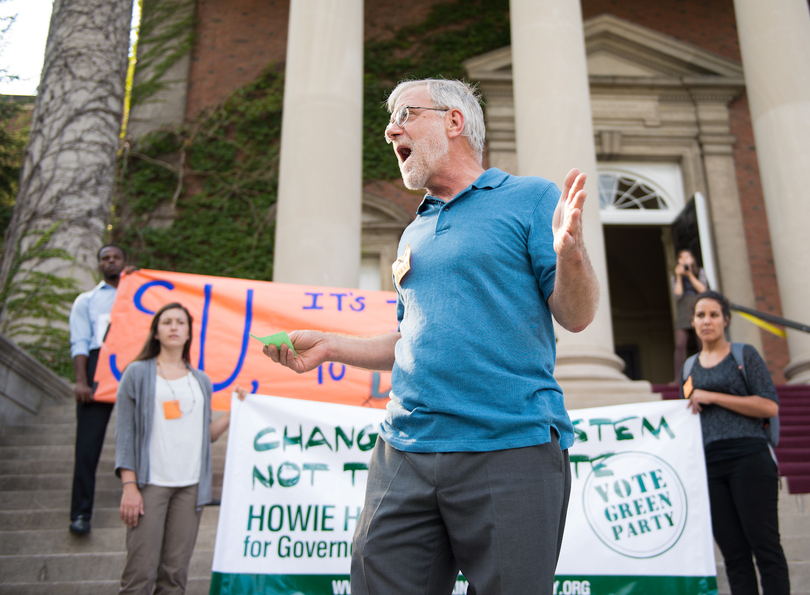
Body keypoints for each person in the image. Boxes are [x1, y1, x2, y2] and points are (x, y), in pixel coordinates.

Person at [263, 79, 599, 595]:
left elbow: (575, 316)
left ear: (454, 121)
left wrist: (571, 254)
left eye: (406, 113)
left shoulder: (530, 198)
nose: (390, 129)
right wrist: (331, 345)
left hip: (510, 446)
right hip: (404, 449)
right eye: (390, 118)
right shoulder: (414, 229)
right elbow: (410, 338)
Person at [114, 302, 246, 594]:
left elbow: (207, 435)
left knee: (175, 578)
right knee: (139, 574)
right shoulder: (136, 373)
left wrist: (235, 410)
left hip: (190, 489)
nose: (174, 327)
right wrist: (129, 486)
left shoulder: (201, 380)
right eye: (167, 322)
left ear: (189, 333)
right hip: (150, 485)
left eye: (180, 323)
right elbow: (124, 434)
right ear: (156, 332)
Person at [683, 291, 789, 594]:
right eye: (701, 315)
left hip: (750, 457)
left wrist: (713, 396)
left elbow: (770, 406)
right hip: (711, 466)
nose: (707, 321)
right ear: (692, 322)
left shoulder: (744, 355)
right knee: (734, 556)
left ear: (725, 320)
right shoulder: (689, 368)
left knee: (766, 548)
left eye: (714, 314)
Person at [68, 244, 128, 535]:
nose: (111, 262)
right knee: (87, 445)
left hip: (132, 365)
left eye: (116, 257)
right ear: (99, 264)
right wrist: (82, 381)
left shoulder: (141, 295)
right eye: (106, 258)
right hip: (97, 365)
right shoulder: (86, 300)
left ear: (124, 262)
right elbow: (80, 341)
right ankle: (80, 513)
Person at [671, 248, 707, 383]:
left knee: (702, 343)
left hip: (698, 310)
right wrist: (680, 276)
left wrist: (690, 274)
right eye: (681, 257)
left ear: (693, 260)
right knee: (680, 344)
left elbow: (703, 290)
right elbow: (677, 295)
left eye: (687, 256)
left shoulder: (699, 273)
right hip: (683, 312)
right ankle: (678, 378)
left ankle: (705, 373)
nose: (684, 259)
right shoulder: (674, 277)